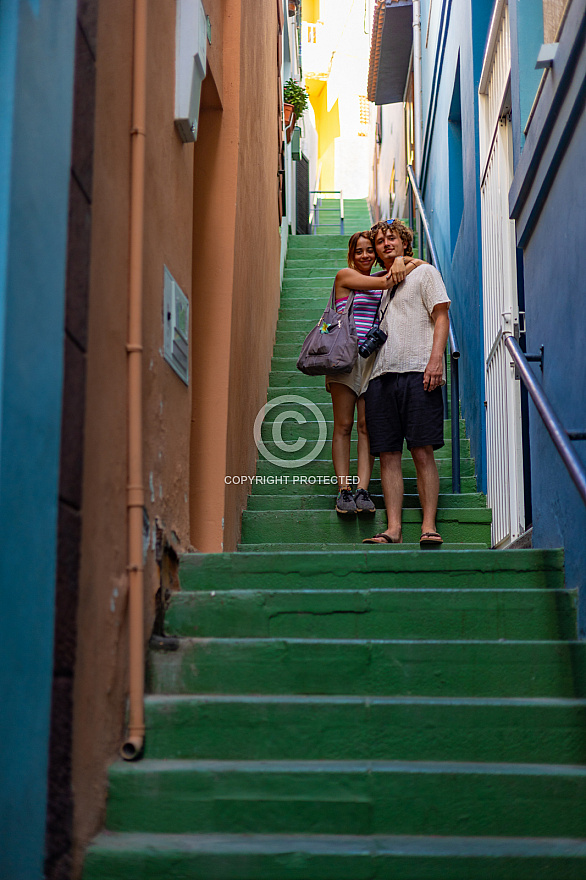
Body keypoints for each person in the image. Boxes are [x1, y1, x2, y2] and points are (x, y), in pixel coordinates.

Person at [362, 220, 450, 545]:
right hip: (380, 376)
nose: (386, 243)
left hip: (418, 370)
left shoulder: (425, 273)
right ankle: (393, 528)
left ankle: (428, 526)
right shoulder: (379, 284)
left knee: (422, 451)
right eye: (381, 240)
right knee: (387, 455)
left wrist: (436, 359)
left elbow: (441, 314)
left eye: (392, 238)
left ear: (404, 243)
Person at [326, 230, 423, 515]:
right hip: (344, 358)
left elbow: (416, 266)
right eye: (360, 251)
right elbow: (388, 279)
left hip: (373, 360)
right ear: (351, 255)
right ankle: (344, 490)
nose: (366, 255)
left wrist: (402, 259)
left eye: (371, 250)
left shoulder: (384, 277)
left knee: (366, 426)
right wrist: (400, 263)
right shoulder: (346, 276)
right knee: (343, 425)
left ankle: (363, 489)